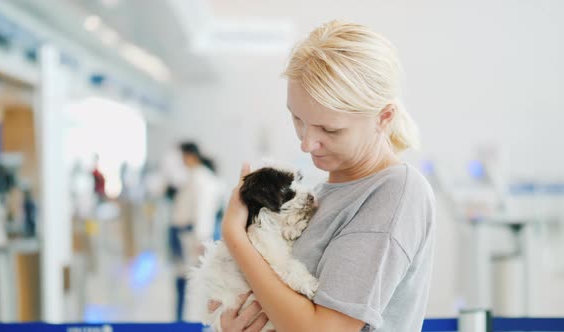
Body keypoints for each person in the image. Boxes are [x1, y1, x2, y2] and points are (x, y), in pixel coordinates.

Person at [211, 20, 436, 331]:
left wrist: (235, 236)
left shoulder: (395, 193)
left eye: (330, 130)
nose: (306, 143)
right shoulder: (326, 190)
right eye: (298, 118)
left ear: (383, 118)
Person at [171, 142, 223, 321]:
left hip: (194, 237)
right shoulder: (193, 176)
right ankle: (182, 321)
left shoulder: (202, 178)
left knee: (195, 284)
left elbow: (204, 209)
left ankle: (192, 324)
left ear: (190, 155)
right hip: (186, 235)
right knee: (185, 282)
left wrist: (201, 238)